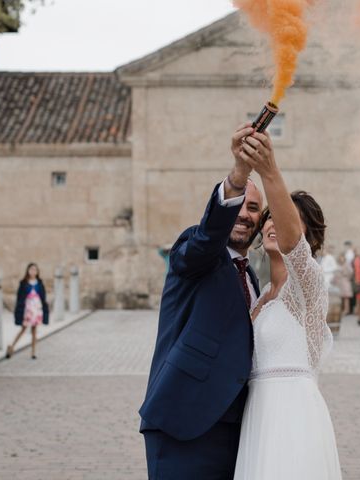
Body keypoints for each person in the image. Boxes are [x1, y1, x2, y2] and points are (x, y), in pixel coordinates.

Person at [139, 123, 263, 479]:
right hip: (185, 422)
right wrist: (239, 177)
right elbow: (210, 235)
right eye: (241, 205)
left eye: (254, 209)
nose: (245, 214)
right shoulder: (196, 250)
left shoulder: (252, 277)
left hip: (238, 429)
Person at [234, 125, 341, 479]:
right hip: (257, 417)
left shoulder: (308, 288)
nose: (273, 224)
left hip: (294, 416)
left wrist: (268, 170)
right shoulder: (259, 294)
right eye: (270, 217)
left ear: (308, 236)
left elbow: (294, 246)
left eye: (286, 219)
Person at [7, 263, 49, 359]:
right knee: (23, 328)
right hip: (27, 309)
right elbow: (20, 297)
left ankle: (33, 352)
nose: (33, 271)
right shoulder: (24, 283)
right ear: (28, 271)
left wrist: (44, 309)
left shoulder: (40, 283)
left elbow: (43, 297)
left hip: (36, 308)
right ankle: (12, 346)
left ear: (37, 272)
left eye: (35, 270)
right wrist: (19, 310)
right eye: (31, 269)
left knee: (34, 330)